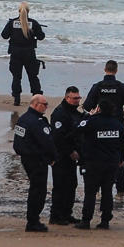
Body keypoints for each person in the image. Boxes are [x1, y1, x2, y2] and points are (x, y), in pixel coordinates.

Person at [74, 99, 124, 230]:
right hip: (111, 163)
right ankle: (105, 220)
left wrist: (90, 116)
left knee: (90, 192)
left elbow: (77, 128)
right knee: (107, 191)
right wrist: (121, 159)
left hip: (93, 163)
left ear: (99, 109)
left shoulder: (92, 121)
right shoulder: (118, 124)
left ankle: (86, 221)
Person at [84, 60, 124, 193]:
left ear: (104, 69)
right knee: (118, 153)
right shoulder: (120, 87)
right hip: (116, 124)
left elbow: (86, 105)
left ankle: (96, 185)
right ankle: (120, 185)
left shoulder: (98, 86)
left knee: (98, 152)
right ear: (116, 71)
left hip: (99, 124)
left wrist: (96, 108)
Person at [13, 94, 58, 232]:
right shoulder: (36, 122)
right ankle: (33, 221)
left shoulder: (23, 119)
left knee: (35, 189)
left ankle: (32, 219)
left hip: (27, 158)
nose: (46, 107)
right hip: (37, 160)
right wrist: (53, 157)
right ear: (36, 104)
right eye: (44, 104)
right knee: (38, 190)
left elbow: (18, 142)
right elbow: (47, 142)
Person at [49, 86, 87, 225]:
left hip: (72, 156)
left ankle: (66, 213)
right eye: (75, 98)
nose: (77, 101)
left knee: (71, 185)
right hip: (61, 156)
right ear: (67, 98)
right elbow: (58, 138)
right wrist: (70, 151)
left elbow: (79, 125)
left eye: (78, 98)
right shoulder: (60, 113)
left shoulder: (74, 112)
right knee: (60, 186)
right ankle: (56, 216)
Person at [1, 1, 45, 105]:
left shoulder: (12, 23)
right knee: (33, 76)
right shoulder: (33, 23)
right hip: (29, 53)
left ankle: (17, 99)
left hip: (15, 53)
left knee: (16, 77)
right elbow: (41, 37)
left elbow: (4, 35)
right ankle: (37, 98)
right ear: (28, 11)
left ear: (18, 11)